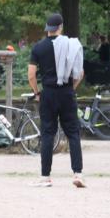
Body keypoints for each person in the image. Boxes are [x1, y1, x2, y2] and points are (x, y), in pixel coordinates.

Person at [27, 13, 85, 188]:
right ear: (60, 27)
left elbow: (31, 75)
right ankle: (78, 173)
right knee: (73, 133)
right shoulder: (70, 45)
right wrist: (71, 89)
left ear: (47, 29)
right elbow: (80, 73)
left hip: (49, 93)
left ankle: (45, 176)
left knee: (47, 134)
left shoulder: (38, 48)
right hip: (66, 92)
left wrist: (37, 93)